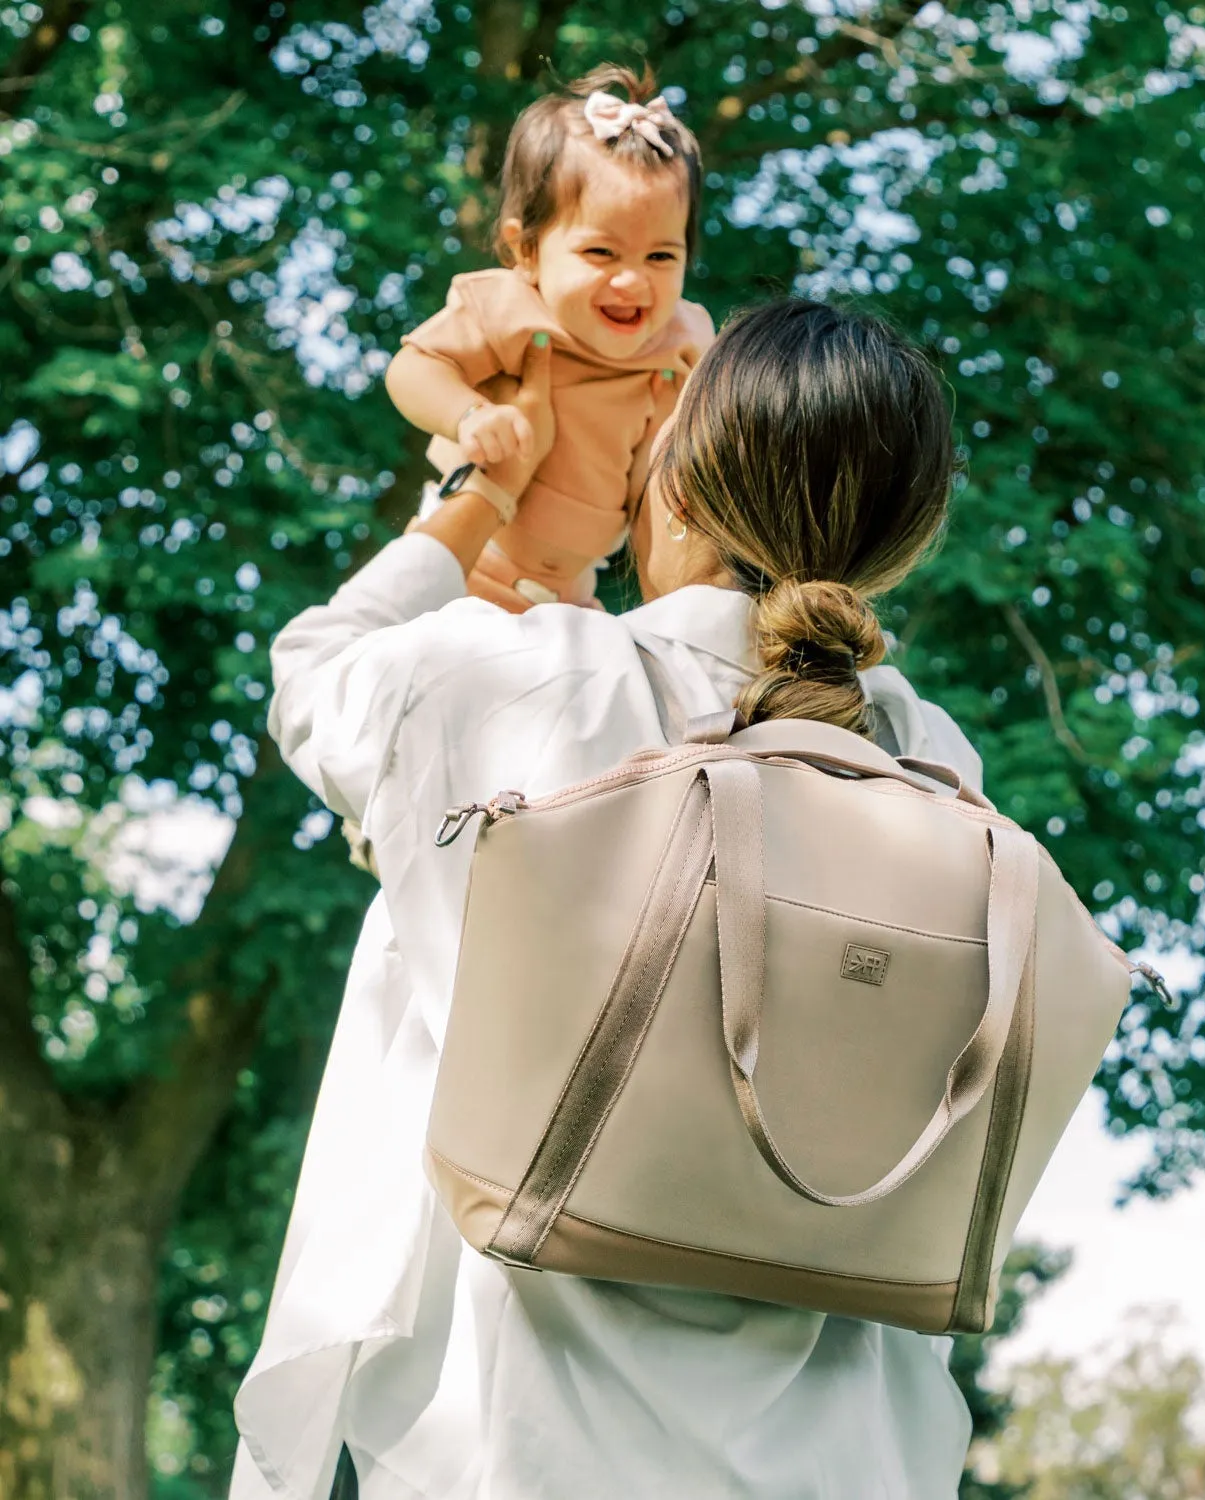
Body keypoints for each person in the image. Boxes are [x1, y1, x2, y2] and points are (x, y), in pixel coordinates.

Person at [231, 299, 981, 1500]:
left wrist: (480, 487)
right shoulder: (938, 769)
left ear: (673, 486)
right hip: (851, 1454)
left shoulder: (516, 682)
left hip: (528, 1438)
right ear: (900, 543)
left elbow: (310, 673)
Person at [385, 62, 714, 609]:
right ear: (527, 250)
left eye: (660, 256)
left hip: (572, 596)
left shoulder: (683, 342)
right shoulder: (508, 309)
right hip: (463, 564)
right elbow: (413, 368)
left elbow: (657, 487)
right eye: (600, 253)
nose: (632, 280)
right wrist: (469, 415)